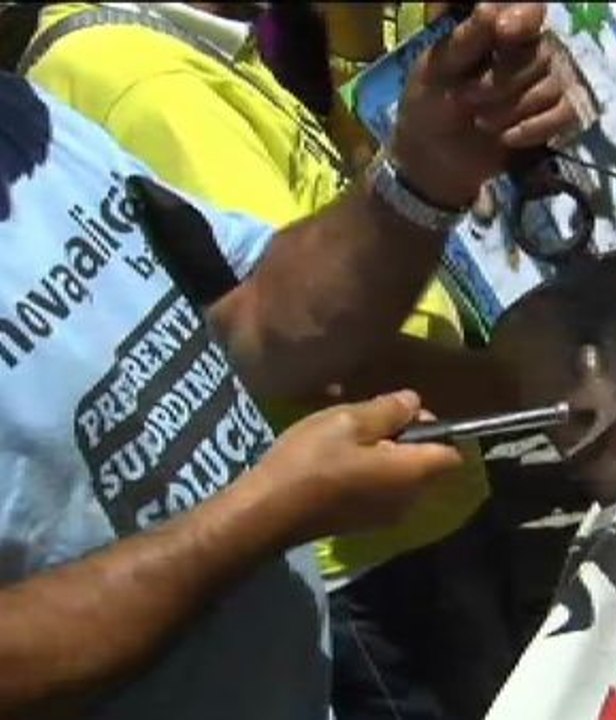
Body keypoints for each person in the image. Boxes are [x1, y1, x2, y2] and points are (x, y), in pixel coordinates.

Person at [0, 3, 577, 717]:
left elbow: (255, 317)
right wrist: (266, 514)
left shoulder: (22, 123)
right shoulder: (123, 72)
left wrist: (427, 172)